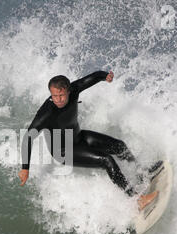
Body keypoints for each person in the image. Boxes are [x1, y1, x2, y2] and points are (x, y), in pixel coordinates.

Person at [18, 70, 158, 210]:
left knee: (119, 146)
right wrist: (25, 168)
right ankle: (137, 200)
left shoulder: (74, 90)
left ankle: (141, 173)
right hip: (63, 152)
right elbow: (27, 138)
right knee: (106, 160)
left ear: (68, 91)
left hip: (79, 137)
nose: (58, 99)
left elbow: (90, 78)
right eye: (54, 96)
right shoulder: (46, 114)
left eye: (61, 95)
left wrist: (104, 76)